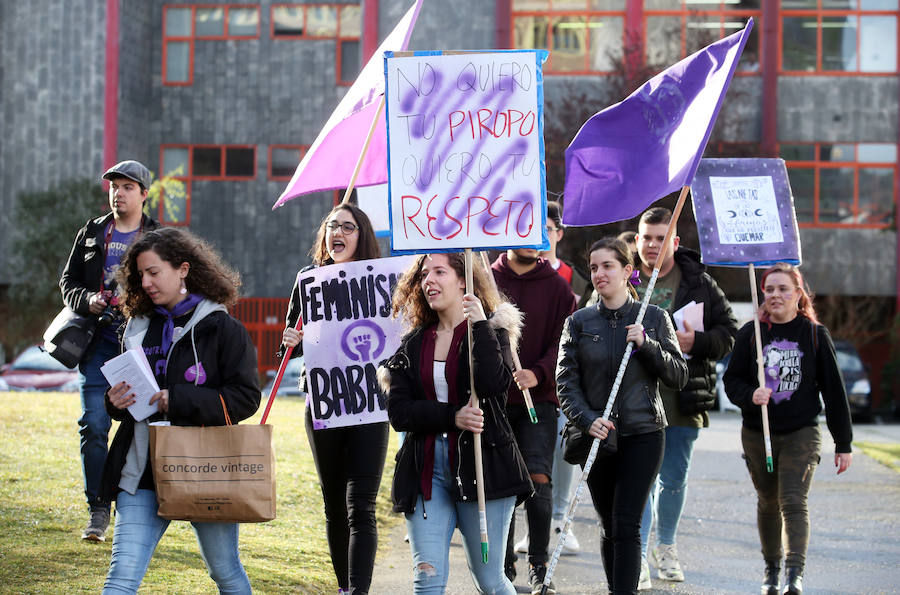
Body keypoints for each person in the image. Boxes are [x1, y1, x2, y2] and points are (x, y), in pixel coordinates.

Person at [100, 227, 260, 593]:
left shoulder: (223, 328)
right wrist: (115, 402)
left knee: (225, 572)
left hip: (205, 470)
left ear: (183, 269)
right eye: (140, 274)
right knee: (121, 576)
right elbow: (122, 396)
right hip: (140, 472)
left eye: (154, 272)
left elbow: (245, 398)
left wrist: (179, 399)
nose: (146, 282)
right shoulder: (137, 327)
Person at [380, 252, 533, 594]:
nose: (428, 281)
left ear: (463, 279)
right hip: (426, 472)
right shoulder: (414, 343)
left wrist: (480, 325)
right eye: (423, 275)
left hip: (485, 469)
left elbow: (494, 386)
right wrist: (451, 417)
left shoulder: (491, 331)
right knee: (427, 578)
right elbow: (400, 412)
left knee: (491, 581)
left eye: (438, 272)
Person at [556, 237, 688, 594]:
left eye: (608, 266)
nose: (599, 273)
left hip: (644, 433)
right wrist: (587, 419)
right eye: (594, 266)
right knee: (609, 524)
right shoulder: (579, 322)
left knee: (627, 522)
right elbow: (565, 384)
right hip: (597, 436)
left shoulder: (655, 318)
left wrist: (648, 346)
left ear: (628, 271)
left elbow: (678, 375)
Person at [723, 263, 852, 595]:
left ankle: (794, 575)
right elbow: (731, 381)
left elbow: (834, 392)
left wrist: (843, 442)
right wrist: (751, 395)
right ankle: (772, 569)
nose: (776, 295)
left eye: (783, 289)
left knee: (793, 500)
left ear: (799, 294)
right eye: (769, 290)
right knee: (768, 501)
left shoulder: (813, 334)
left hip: (802, 431)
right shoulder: (751, 333)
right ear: (762, 294)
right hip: (758, 433)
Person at [279, 203, 387, 595]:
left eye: (349, 226)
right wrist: (289, 342)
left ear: (363, 236)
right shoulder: (309, 279)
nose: (338, 232)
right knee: (334, 504)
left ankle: (359, 591)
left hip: (369, 401)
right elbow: (292, 345)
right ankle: (344, 587)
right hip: (323, 402)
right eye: (332, 225)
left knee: (361, 505)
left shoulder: (379, 280)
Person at [633, 207, 738, 588]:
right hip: (633, 400)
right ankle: (638, 554)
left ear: (675, 243)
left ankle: (666, 547)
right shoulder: (620, 277)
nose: (652, 245)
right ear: (636, 240)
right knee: (640, 481)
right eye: (646, 237)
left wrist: (699, 341)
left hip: (683, 398)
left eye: (661, 238)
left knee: (673, 480)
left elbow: (730, 331)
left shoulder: (699, 283)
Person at [59, 159, 159, 541]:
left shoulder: (159, 238)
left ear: (144, 194)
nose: (119, 193)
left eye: (128, 187)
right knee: (94, 425)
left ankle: (138, 507)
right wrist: (87, 299)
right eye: (114, 186)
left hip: (143, 342)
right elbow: (67, 282)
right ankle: (99, 509)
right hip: (98, 341)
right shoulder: (92, 232)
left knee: (143, 426)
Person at [491, 245, 575, 593]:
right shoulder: (487, 280)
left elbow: (565, 341)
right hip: (493, 399)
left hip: (538, 400)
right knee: (502, 484)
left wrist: (539, 373)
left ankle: (539, 566)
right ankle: (502, 566)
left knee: (538, 479)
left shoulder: (558, 287)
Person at [539, 201, 587, 556]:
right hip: (530, 385)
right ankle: (535, 526)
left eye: (547, 229)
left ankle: (561, 520)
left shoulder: (575, 281)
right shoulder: (510, 274)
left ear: (559, 233)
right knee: (533, 461)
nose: (540, 236)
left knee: (563, 453)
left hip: (564, 386)